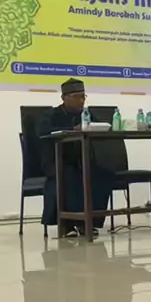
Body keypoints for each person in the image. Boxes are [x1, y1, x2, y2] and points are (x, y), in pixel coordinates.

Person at [38, 78, 116, 237]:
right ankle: (68, 223)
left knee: (104, 176)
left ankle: (90, 221)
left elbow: (98, 128)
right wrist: (73, 129)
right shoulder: (50, 115)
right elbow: (43, 132)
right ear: (64, 98)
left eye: (83, 96)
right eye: (77, 97)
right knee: (71, 177)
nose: (81, 101)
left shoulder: (87, 115)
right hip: (56, 162)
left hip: (82, 161)